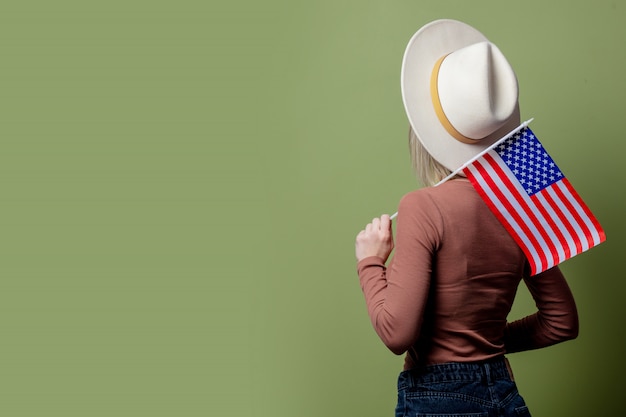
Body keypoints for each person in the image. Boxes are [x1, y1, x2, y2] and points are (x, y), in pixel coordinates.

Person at [355, 19, 579, 417]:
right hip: (503, 392)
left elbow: (396, 333)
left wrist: (370, 262)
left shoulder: (422, 206)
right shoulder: (521, 205)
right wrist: (485, 344)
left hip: (438, 400)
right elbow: (561, 322)